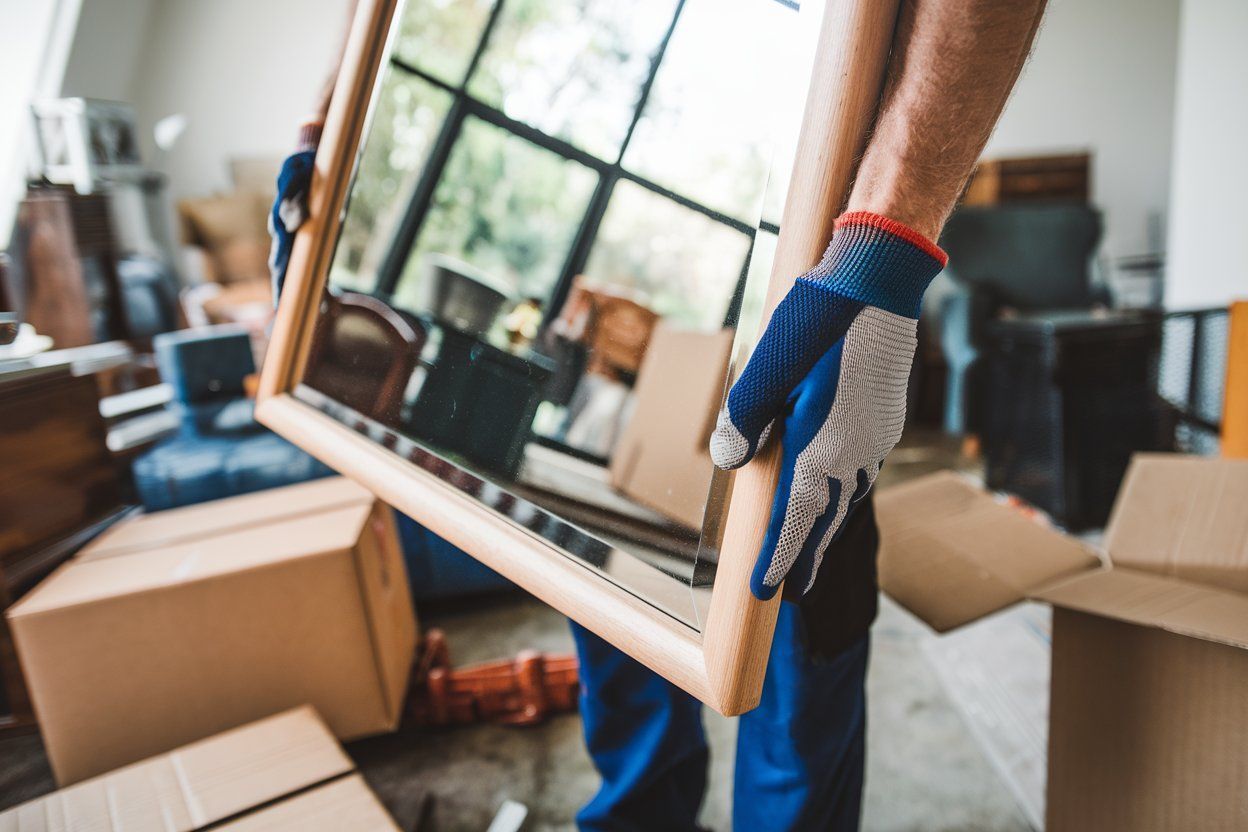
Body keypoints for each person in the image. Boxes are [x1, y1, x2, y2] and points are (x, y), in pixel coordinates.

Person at [271, 0, 1047, 828]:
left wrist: (886, 243)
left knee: (799, 576)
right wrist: (331, 120)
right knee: (608, 579)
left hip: (817, 238)